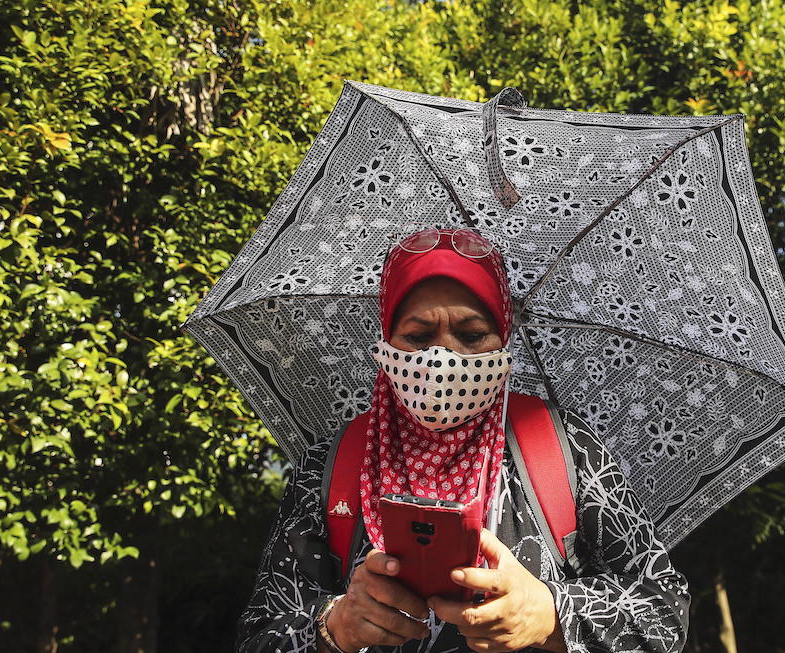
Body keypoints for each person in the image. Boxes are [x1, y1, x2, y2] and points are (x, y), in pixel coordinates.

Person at [237, 228, 690, 653]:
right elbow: (260, 631)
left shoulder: (560, 446)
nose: (443, 358)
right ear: (387, 341)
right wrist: (334, 626)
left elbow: (665, 611)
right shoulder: (331, 466)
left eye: (472, 335)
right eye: (419, 337)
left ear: (503, 340)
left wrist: (550, 615)